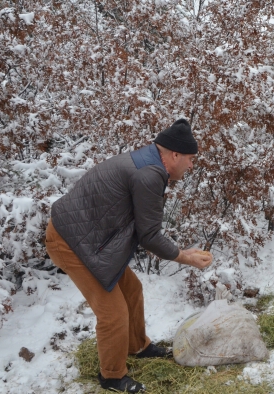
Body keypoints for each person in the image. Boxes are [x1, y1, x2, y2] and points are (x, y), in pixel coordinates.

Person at [45, 119, 213, 393]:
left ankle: (137, 346)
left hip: (91, 241)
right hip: (71, 242)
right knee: (113, 314)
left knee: (131, 290)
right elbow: (149, 235)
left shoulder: (148, 163)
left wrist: (182, 253)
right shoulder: (150, 174)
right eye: (191, 159)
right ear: (174, 155)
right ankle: (112, 376)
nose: (192, 165)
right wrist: (185, 257)